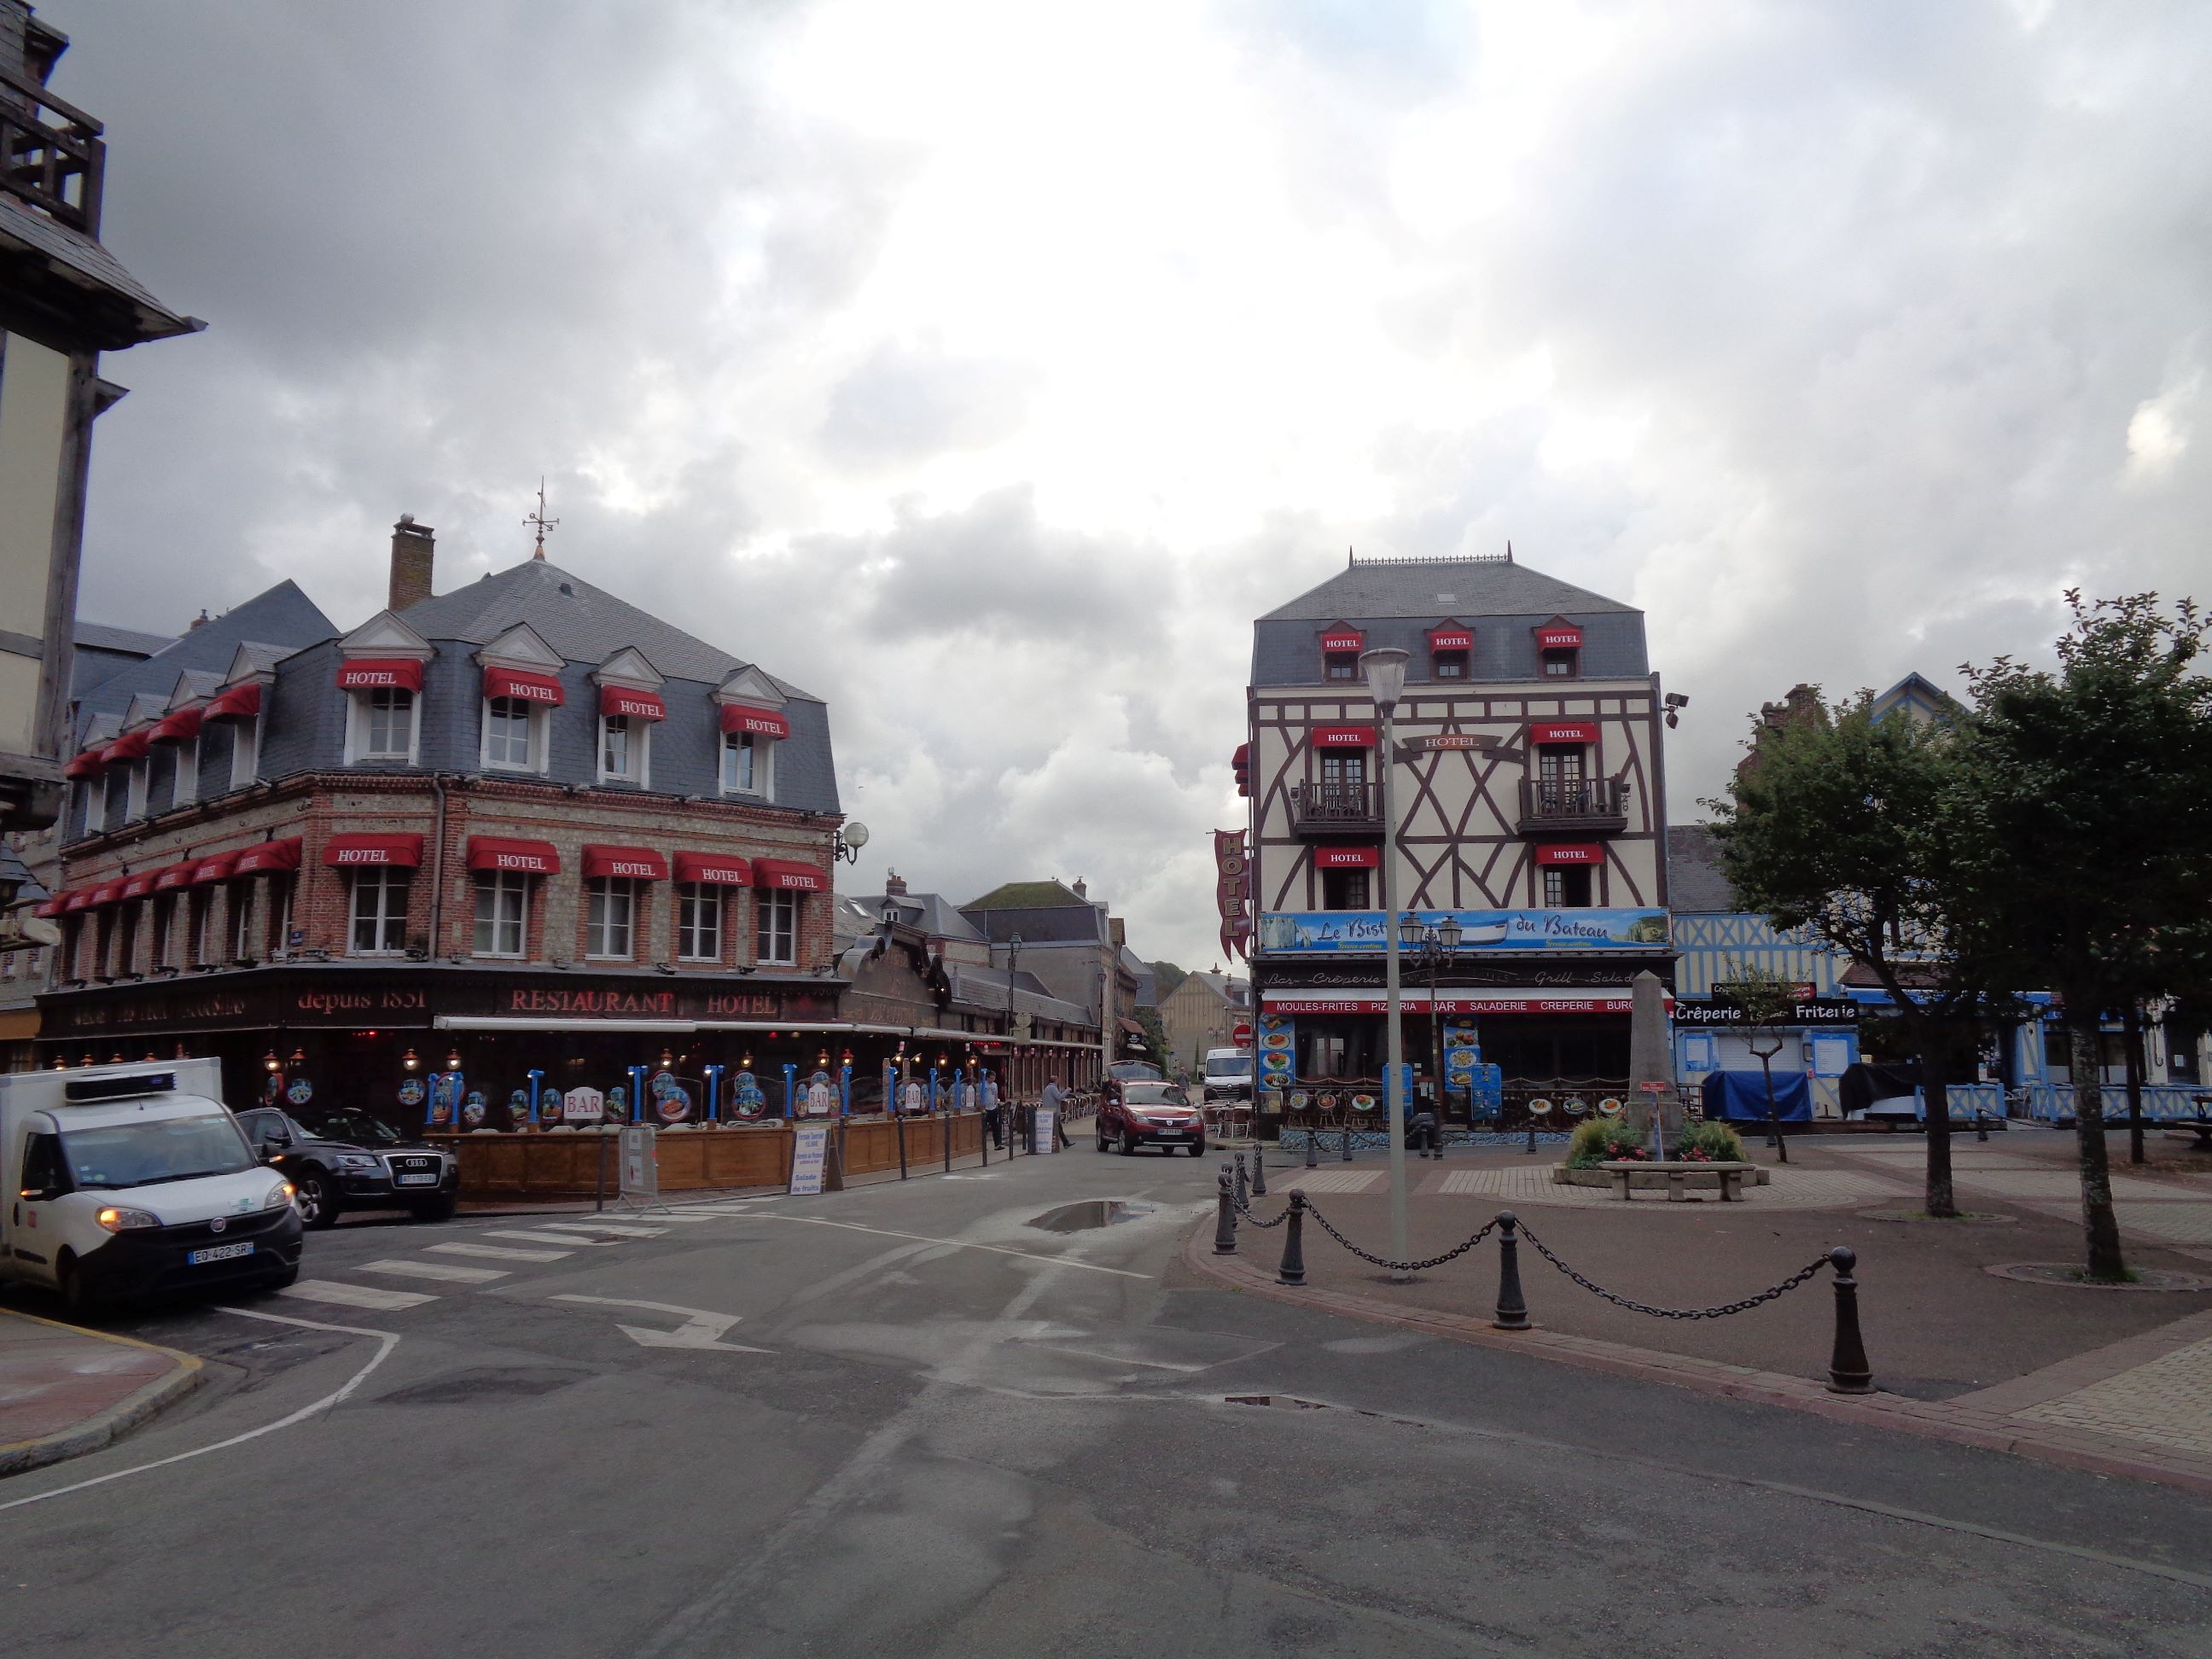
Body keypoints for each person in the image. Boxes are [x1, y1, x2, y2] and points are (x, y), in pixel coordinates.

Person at [982, 1069, 1004, 1149]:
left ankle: (997, 1144)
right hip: (985, 1108)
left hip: (993, 1107)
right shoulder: (983, 1085)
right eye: (991, 1078)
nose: (992, 1080)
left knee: (996, 1127)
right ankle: (983, 1145)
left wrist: (996, 1105)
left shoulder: (995, 1085)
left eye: (993, 1078)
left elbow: (995, 1095)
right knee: (984, 1127)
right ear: (987, 1078)